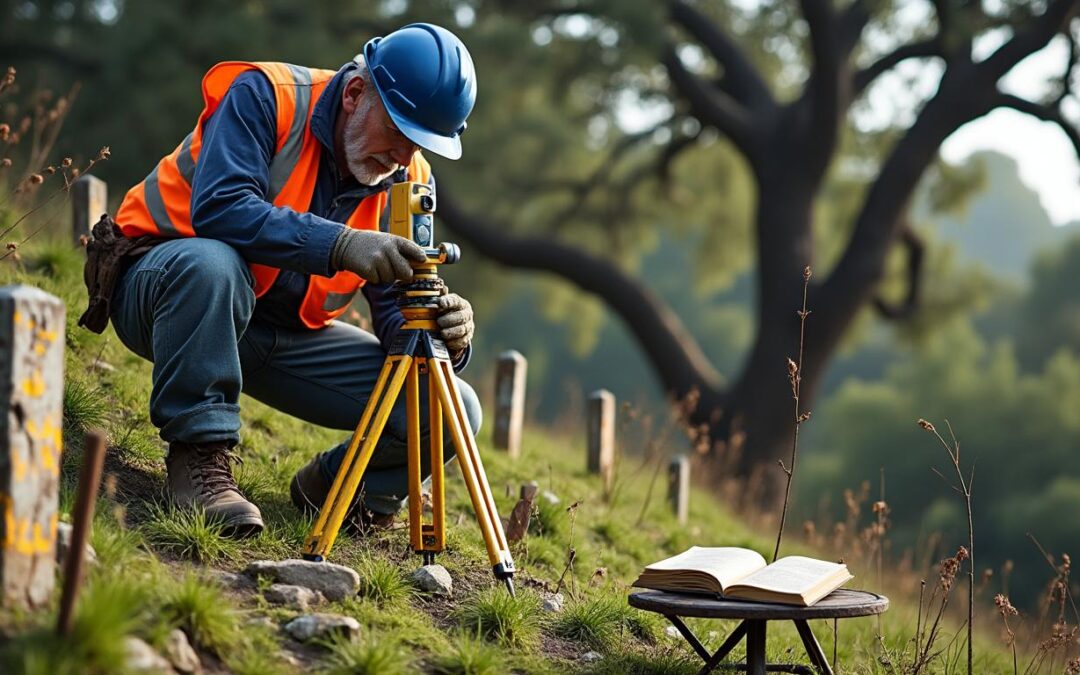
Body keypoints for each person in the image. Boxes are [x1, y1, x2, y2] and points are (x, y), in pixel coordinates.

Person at [104, 23, 481, 537]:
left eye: (420, 145)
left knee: (455, 404)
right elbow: (221, 209)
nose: (403, 158)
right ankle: (199, 463)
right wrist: (342, 244)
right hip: (166, 295)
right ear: (354, 94)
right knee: (214, 264)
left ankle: (336, 487)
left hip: (278, 338)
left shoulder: (408, 181)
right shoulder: (265, 96)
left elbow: (395, 314)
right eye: (398, 133)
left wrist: (438, 328)